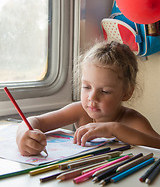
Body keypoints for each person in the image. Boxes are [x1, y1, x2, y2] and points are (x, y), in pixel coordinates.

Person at [16, 40, 160, 156]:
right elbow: (35, 121)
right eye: (86, 87)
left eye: (105, 91)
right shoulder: (79, 111)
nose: (92, 97)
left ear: (126, 93)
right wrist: (24, 135)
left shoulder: (132, 120)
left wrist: (115, 129)